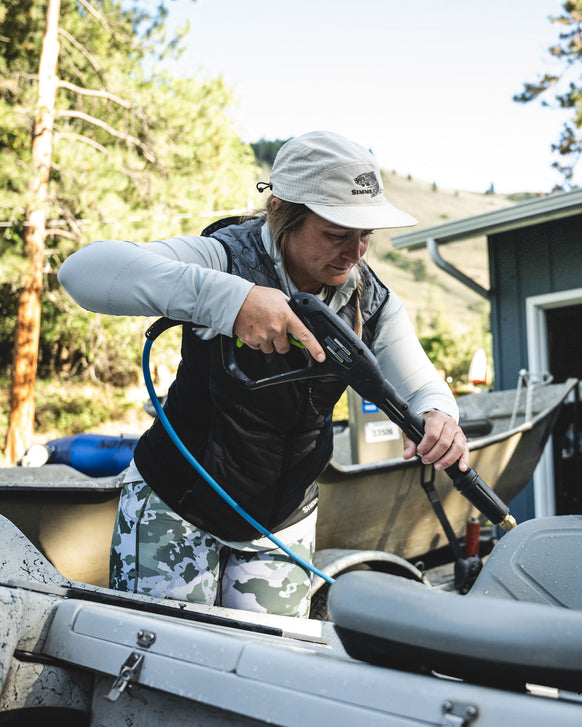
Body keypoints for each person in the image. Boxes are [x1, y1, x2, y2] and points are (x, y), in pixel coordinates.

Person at [58, 130, 469, 618]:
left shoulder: (371, 301)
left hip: (283, 521)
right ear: (280, 211)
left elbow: (421, 384)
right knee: (165, 664)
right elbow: (82, 272)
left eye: (366, 236)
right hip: (177, 504)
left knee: (266, 673)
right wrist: (231, 301)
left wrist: (439, 414)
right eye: (337, 234)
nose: (355, 252)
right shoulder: (224, 256)